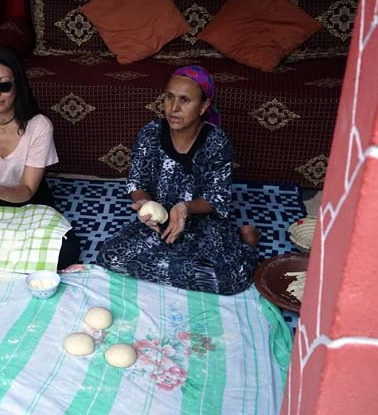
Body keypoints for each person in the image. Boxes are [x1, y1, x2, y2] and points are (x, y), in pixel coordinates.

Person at [96, 65, 259, 295]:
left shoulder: (216, 142)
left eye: (185, 100)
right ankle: (180, 266)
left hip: (203, 222)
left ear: (203, 106)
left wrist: (185, 208)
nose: (173, 108)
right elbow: (136, 181)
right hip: (160, 220)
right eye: (169, 97)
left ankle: (248, 242)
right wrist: (144, 203)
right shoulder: (151, 133)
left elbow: (217, 198)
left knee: (230, 280)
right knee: (109, 257)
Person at [0, 45, 79, 269]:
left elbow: (27, 189)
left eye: (3, 85)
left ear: (17, 85)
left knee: (66, 251)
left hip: (31, 203)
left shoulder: (39, 126)